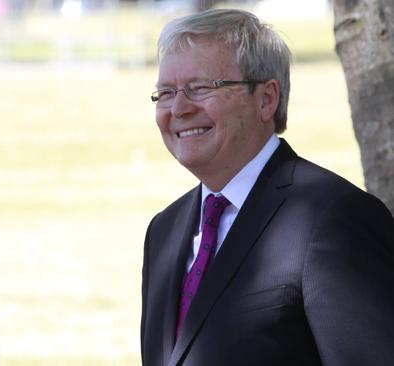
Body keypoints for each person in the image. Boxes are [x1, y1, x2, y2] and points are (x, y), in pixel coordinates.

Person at [141, 8, 394, 366]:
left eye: (200, 88)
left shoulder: (334, 219)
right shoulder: (164, 231)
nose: (178, 108)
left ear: (265, 99)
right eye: (165, 92)